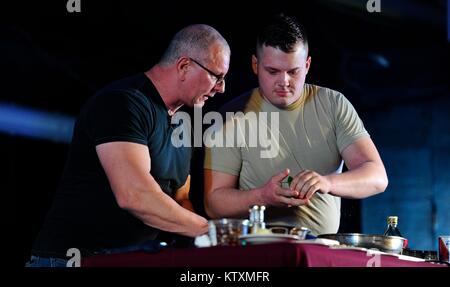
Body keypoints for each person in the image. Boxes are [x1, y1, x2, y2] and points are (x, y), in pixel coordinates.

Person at [27, 24, 230, 267]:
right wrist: (214, 232)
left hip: (127, 261)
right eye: (217, 76)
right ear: (184, 66)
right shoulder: (123, 103)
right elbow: (134, 195)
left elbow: (180, 201)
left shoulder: (183, 126)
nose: (221, 87)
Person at [203, 14, 388, 236]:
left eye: (293, 71)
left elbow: (377, 177)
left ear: (307, 64)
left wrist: (327, 183)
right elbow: (213, 204)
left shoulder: (334, 105)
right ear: (255, 65)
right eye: (272, 71)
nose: (284, 81)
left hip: (321, 248)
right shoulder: (231, 116)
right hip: (256, 248)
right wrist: (262, 196)